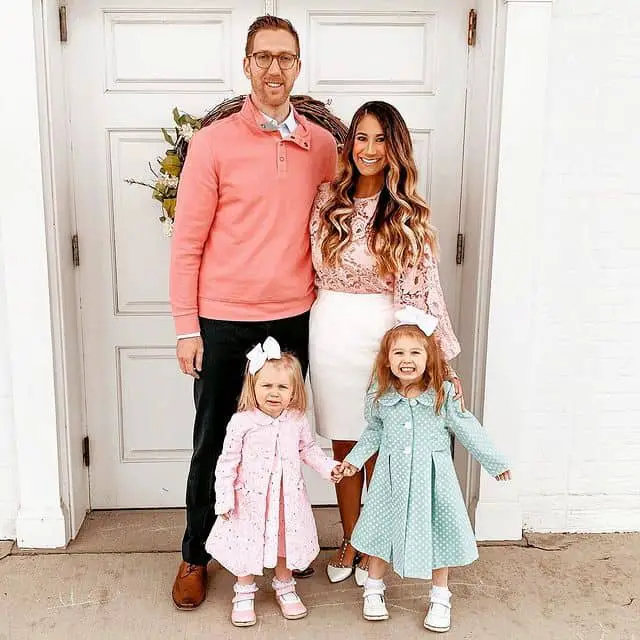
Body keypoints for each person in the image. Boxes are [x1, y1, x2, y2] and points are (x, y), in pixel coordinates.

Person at [169, 15, 337, 609]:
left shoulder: (321, 146)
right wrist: (187, 327)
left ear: (297, 65)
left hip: (295, 316)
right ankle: (195, 555)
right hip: (223, 318)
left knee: (287, 440)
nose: (273, 68)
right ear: (246, 64)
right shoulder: (213, 143)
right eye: (262, 57)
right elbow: (187, 240)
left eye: (284, 57)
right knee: (215, 440)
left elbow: (341, 223)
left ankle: (284, 548)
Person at [309, 101, 463, 585]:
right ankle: (350, 536)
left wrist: (439, 360)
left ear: (394, 148)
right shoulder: (326, 197)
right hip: (330, 325)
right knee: (343, 439)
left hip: (384, 331)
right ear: (349, 142)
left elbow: (426, 287)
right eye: (361, 138)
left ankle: (377, 539)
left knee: (382, 436)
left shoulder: (409, 214)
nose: (369, 150)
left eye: (380, 140)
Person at [338, 307, 511, 632]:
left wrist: (494, 461)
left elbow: (465, 425)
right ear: (387, 359)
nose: (407, 359)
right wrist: (354, 461)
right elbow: (373, 432)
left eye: (415, 352)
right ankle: (373, 590)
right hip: (391, 481)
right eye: (399, 352)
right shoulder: (382, 396)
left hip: (434, 481)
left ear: (429, 356)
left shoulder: (441, 394)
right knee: (380, 535)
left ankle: (440, 597)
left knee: (440, 535)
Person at [206, 338, 342, 627]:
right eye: (266, 386)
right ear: (252, 387)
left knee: (284, 541)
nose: (274, 393)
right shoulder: (242, 423)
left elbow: (309, 450)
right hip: (250, 500)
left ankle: (285, 585)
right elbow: (227, 462)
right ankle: (244, 591)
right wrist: (224, 497)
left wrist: (329, 468)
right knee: (247, 543)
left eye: (282, 387)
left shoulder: (296, 420)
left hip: (286, 499)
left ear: (294, 392)